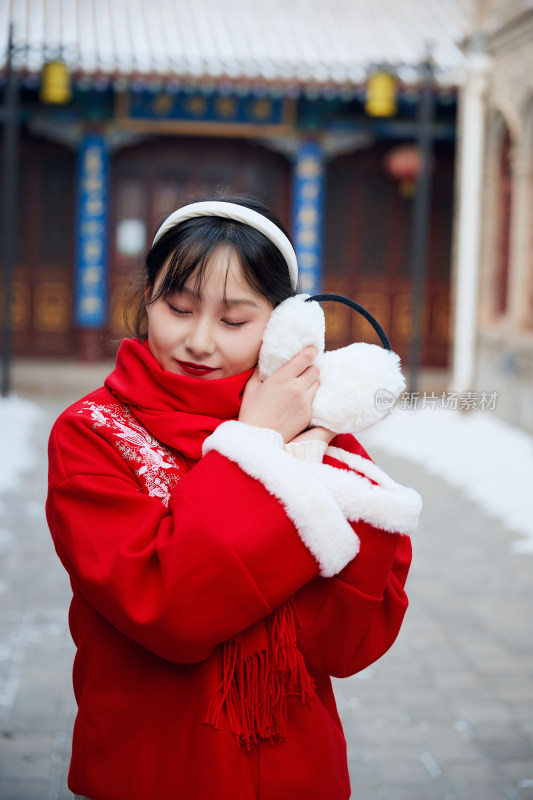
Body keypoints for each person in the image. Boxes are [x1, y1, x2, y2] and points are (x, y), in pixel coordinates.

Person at [46, 195, 420, 800]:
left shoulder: (319, 436)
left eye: (234, 321)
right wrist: (257, 446)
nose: (198, 341)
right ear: (147, 300)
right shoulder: (92, 433)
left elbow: (348, 644)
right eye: (178, 308)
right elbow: (165, 604)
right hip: (150, 765)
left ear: (280, 328)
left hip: (294, 767)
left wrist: (317, 457)